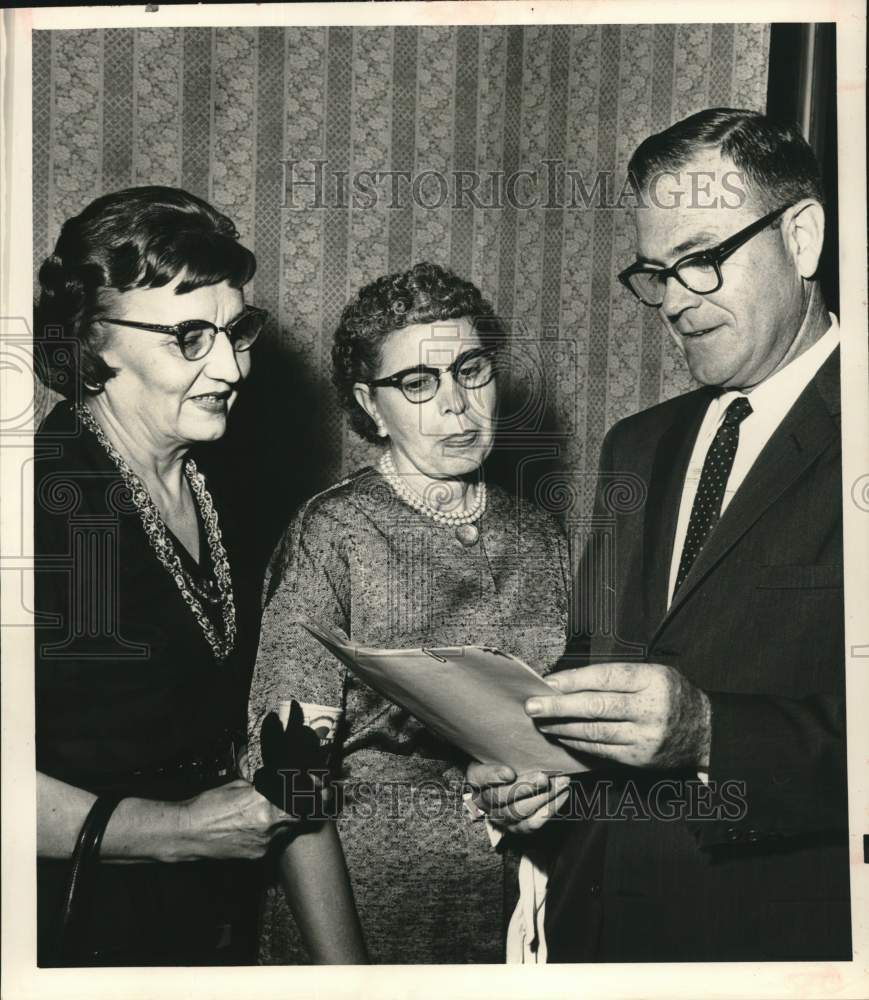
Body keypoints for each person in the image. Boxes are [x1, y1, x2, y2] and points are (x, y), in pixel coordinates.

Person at [468, 108, 850, 962]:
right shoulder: (635, 444)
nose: (675, 302)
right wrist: (543, 765)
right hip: (599, 928)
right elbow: (591, 660)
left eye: (703, 261)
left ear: (802, 236)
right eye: (656, 272)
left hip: (781, 945)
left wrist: (714, 734)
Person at [34, 186, 363, 966]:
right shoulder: (35, 506)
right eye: (188, 336)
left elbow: (277, 735)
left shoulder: (235, 494)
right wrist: (178, 833)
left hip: (208, 922)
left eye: (234, 330)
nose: (230, 365)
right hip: (68, 926)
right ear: (93, 339)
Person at [247, 262, 572, 963]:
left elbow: (571, 732)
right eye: (418, 383)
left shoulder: (540, 535)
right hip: (367, 919)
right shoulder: (334, 533)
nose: (457, 405)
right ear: (369, 404)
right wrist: (349, 978)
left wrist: (555, 784)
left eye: (472, 370)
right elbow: (288, 777)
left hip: (518, 920)